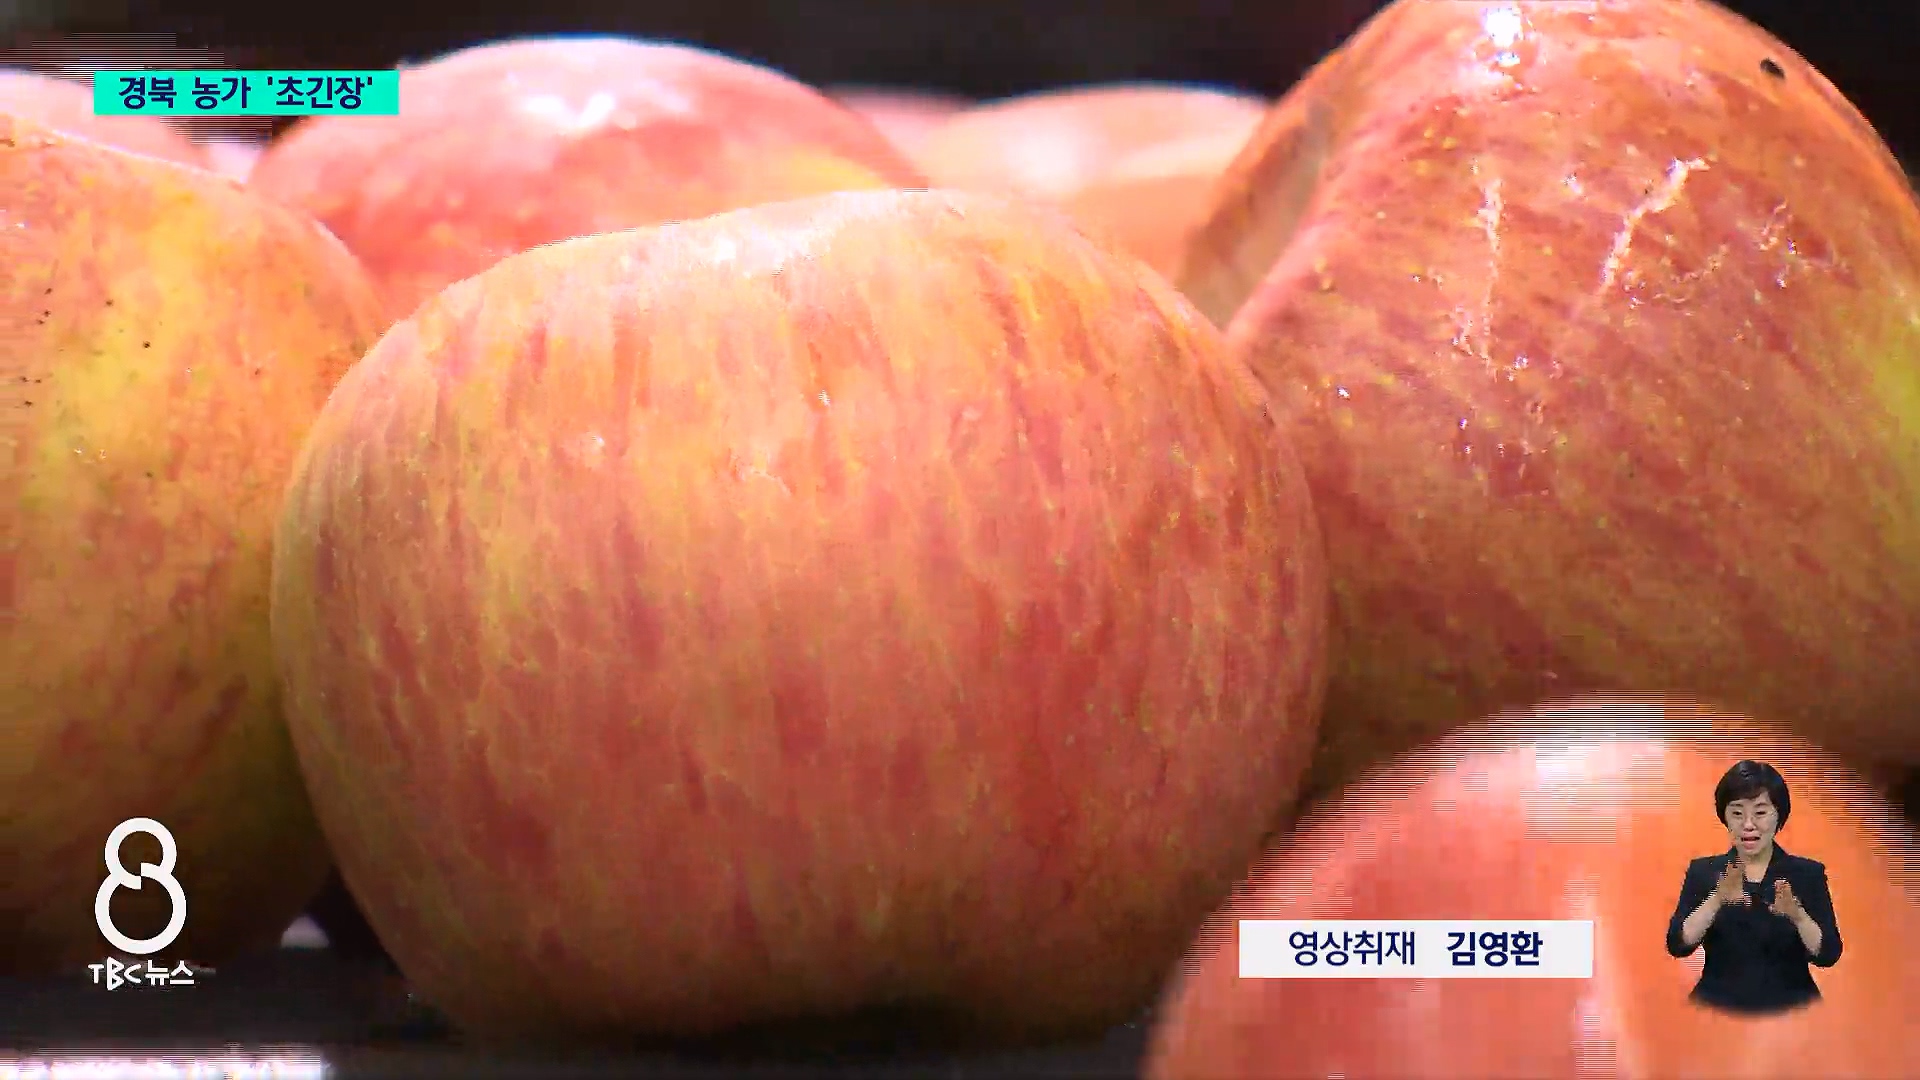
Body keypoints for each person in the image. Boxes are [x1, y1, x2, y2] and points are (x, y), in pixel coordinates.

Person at [1665, 760, 1843, 1013]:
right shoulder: (1704, 872)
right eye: (1737, 813)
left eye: (1760, 813)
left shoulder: (1807, 874)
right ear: (1725, 817)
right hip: (1716, 1006)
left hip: (1794, 1008)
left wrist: (1798, 916)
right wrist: (1716, 899)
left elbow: (1828, 955)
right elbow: (1678, 944)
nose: (1748, 824)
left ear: (1778, 815)